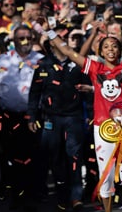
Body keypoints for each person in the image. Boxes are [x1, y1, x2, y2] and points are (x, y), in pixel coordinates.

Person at [42, 23, 122, 212]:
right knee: (106, 173)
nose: (111, 50)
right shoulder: (94, 68)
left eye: (114, 46)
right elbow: (68, 51)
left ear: (120, 49)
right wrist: (49, 31)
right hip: (101, 128)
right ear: (100, 51)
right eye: (106, 47)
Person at [0, 24, 43, 211]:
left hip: (33, 117)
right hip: (9, 117)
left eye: (29, 38)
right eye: (21, 38)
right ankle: (15, 196)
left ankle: (32, 196)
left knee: (33, 158)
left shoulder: (40, 60)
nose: (25, 42)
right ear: (14, 41)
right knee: (10, 158)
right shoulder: (3, 61)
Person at [28, 24, 88, 211]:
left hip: (74, 117)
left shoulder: (77, 63)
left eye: (63, 38)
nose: (61, 40)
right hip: (51, 118)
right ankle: (61, 196)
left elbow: (88, 91)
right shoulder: (43, 64)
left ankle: (76, 197)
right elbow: (35, 92)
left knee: (75, 156)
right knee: (55, 158)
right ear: (51, 44)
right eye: (58, 39)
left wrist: (90, 115)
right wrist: (31, 117)